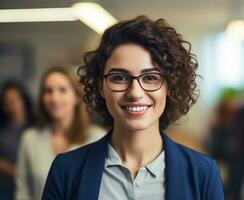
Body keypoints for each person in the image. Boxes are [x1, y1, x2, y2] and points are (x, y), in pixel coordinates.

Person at [42, 16, 224, 200]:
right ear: (101, 87)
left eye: (150, 77)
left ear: (169, 86)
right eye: (120, 78)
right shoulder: (66, 171)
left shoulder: (203, 173)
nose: (135, 93)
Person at [16, 67, 107, 200]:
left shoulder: (98, 138)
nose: (54, 98)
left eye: (62, 90)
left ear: (76, 97)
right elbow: (23, 191)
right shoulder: (30, 138)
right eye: (48, 91)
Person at [0, 80, 34, 200]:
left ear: (23, 100)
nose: (12, 105)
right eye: (8, 102)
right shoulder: (3, 130)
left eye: (15, 100)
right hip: (7, 188)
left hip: (34, 186)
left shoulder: (36, 127)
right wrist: (9, 168)